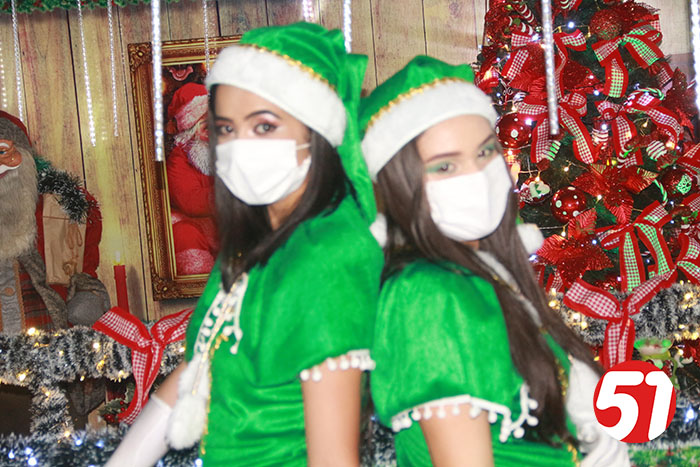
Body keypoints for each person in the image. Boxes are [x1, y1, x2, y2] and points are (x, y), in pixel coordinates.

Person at [107, 22, 382, 466]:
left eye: (265, 125)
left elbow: (333, 455)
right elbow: (201, 365)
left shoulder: (330, 253)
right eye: (226, 128)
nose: (239, 146)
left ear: (316, 133)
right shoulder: (255, 245)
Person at [360, 56, 630, 466]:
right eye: (445, 165)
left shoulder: (485, 274)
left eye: (486, 151)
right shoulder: (428, 294)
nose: (477, 174)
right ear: (401, 186)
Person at [166, 82, 218, 275]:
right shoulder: (179, 158)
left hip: (224, 225)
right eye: (204, 122)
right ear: (191, 127)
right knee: (185, 235)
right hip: (194, 226)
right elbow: (189, 200)